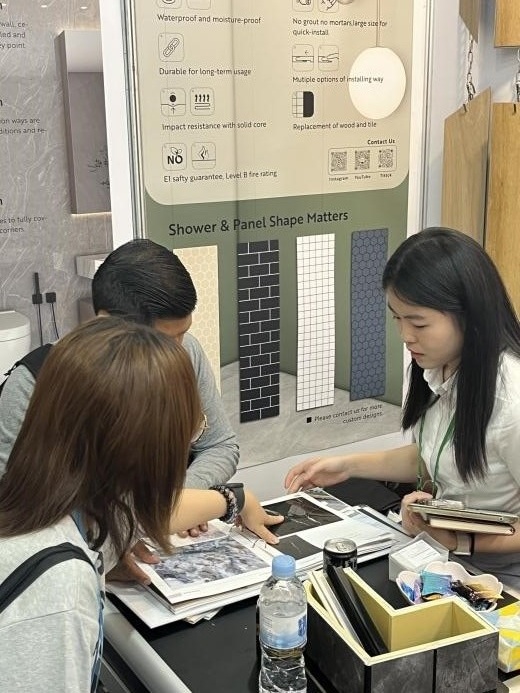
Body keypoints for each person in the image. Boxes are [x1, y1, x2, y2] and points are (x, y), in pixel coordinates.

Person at [0, 317, 283, 692]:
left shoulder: (49, 506)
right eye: (189, 432)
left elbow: (136, 518)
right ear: (144, 449)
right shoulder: (57, 586)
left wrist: (234, 499)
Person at [285, 227, 520, 587]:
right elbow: (437, 454)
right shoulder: (441, 365)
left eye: (418, 322)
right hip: (444, 556)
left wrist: (462, 542)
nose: (405, 336)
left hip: (500, 578)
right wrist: (346, 466)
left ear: (469, 315)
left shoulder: (511, 400)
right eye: (397, 317)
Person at [0, 239, 238, 492]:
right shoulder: (33, 383)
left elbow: (220, 445)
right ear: (107, 324)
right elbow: (14, 495)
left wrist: (179, 499)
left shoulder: (187, 350)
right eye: (164, 340)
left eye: (183, 333)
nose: (179, 350)